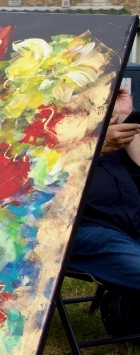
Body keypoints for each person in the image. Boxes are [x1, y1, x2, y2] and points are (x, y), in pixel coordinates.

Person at [66, 88, 140, 336]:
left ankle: (125, 305)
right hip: (83, 229)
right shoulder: (38, 131)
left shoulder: (107, 129)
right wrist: (94, 146)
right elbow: (37, 176)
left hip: (131, 223)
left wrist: (125, 115)